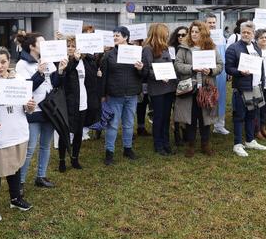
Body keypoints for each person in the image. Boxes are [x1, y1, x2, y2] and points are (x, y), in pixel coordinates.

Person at [0, 47, 36, 223]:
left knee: (15, 167)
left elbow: (25, 107)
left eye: (3, 62)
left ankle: (15, 198)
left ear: (9, 61)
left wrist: (30, 107)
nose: (0, 66)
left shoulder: (19, 79)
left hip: (18, 132)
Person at [14, 32, 61, 188]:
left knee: (45, 145)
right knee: (30, 148)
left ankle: (41, 176)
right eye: (41, 43)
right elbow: (25, 89)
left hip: (49, 108)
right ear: (32, 46)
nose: (45, 45)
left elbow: (55, 83)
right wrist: (39, 73)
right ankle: (20, 182)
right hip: (34, 110)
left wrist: (60, 70)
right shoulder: (22, 64)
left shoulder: (48, 60)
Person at [174, 21, 223, 157]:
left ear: (203, 33)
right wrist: (191, 68)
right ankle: (190, 145)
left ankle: (205, 144)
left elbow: (220, 65)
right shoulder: (183, 48)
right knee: (191, 116)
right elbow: (177, 65)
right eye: (192, 31)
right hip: (190, 87)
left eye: (197, 32)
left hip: (207, 87)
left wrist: (211, 71)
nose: (194, 34)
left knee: (205, 117)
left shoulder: (211, 47)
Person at [99, 26, 146, 165]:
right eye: (114, 36)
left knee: (129, 124)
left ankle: (127, 149)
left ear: (126, 37)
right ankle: (109, 153)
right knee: (112, 125)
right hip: (115, 95)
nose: (115, 38)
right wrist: (103, 95)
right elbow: (104, 76)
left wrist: (141, 68)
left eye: (117, 35)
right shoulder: (109, 55)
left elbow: (143, 75)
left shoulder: (137, 52)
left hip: (132, 94)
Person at [57, 36, 101, 170]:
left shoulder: (85, 61)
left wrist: (98, 72)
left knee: (78, 132)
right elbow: (60, 81)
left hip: (83, 101)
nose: (71, 48)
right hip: (68, 103)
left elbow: (91, 78)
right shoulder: (63, 61)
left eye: (73, 46)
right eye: (68, 46)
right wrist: (73, 61)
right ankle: (62, 160)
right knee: (64, 131)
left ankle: (75, 158)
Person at [225, 21, 266, 157]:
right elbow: (228, 68)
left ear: (253, 34)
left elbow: (260, 66)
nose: (245, 34)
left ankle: (250, 140)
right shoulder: (233, 48)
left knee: (252, 115)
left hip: (256, 86)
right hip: (242, 88)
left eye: (248, 32)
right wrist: (240, 72)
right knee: (239, 116)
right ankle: (237, 144)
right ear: (240, 32)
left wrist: (262, 81)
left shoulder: (256, 47)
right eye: (243, 32)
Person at [142, 23, 177, 156]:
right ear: (159, 33)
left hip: (169, 87)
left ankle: (166, 143)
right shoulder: (147, 49)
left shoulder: (165, 48)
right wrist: (159, 76)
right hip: (157, 88)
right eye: (166, 32)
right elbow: (147, 69)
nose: (168, 34)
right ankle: (158, 145)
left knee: (166, 117)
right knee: (159, 117)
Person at [206, 14, 230, 135]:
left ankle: (219, 125)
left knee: (220, 97)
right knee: (204, 97)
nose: (212, 25)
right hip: (206, 72)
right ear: (205, 24)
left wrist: (226, 70)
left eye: (213, 22)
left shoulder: (220, 37)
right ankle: (203, 123)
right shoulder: (201, 37)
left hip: (220, 72)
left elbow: (224, 54)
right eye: (209, 22)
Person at [168, 26, 188, 147]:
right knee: (176, 109)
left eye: (183, 35)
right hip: (173, 82)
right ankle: (176, 135)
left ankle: (186, 132)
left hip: (186, 82)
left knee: (185, 108)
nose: (180, 37)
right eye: (178, 35)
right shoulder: (171, 49)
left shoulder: (190, 48)